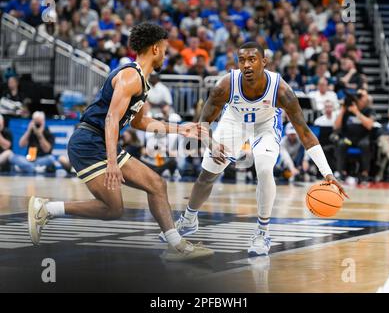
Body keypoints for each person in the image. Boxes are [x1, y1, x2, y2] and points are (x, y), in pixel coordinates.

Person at [27, 22, 212, 262]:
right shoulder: (130, 76)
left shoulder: (142, 82)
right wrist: (113, 163)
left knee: (156, 184)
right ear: (155, 49)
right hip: (88, 142)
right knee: (114, 208)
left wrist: (180, 129)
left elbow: (141, 123)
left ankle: (176, 245)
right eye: (165, 49)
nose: (166, 55)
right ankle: (46, 209)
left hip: (102, 142)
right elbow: (111, 119)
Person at [159, 42, 348, 256]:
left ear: (264, 62)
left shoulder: (282, 90)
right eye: (242, 60)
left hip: (265, 124)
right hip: (234, 120)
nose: (246, 65)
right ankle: (189, 219)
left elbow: (304, 132)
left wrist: (327, 173)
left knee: (265, 168)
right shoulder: (226, 85)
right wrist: (211, 144)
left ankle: (262, 232)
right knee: (207, 174)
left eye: (252, 60)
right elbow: (204, 121)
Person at [334, 89, 375, 182]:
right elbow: (336, 126)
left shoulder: (368, 110)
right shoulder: (347, 110)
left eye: (362, 96)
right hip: (349, 139)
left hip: (362, 138)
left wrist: (357, 112)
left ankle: (365, 173)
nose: (360, 98)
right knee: (341, 144)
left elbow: (369, 125)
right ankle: (341, 172)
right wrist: (343, 110)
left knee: (365, 145)